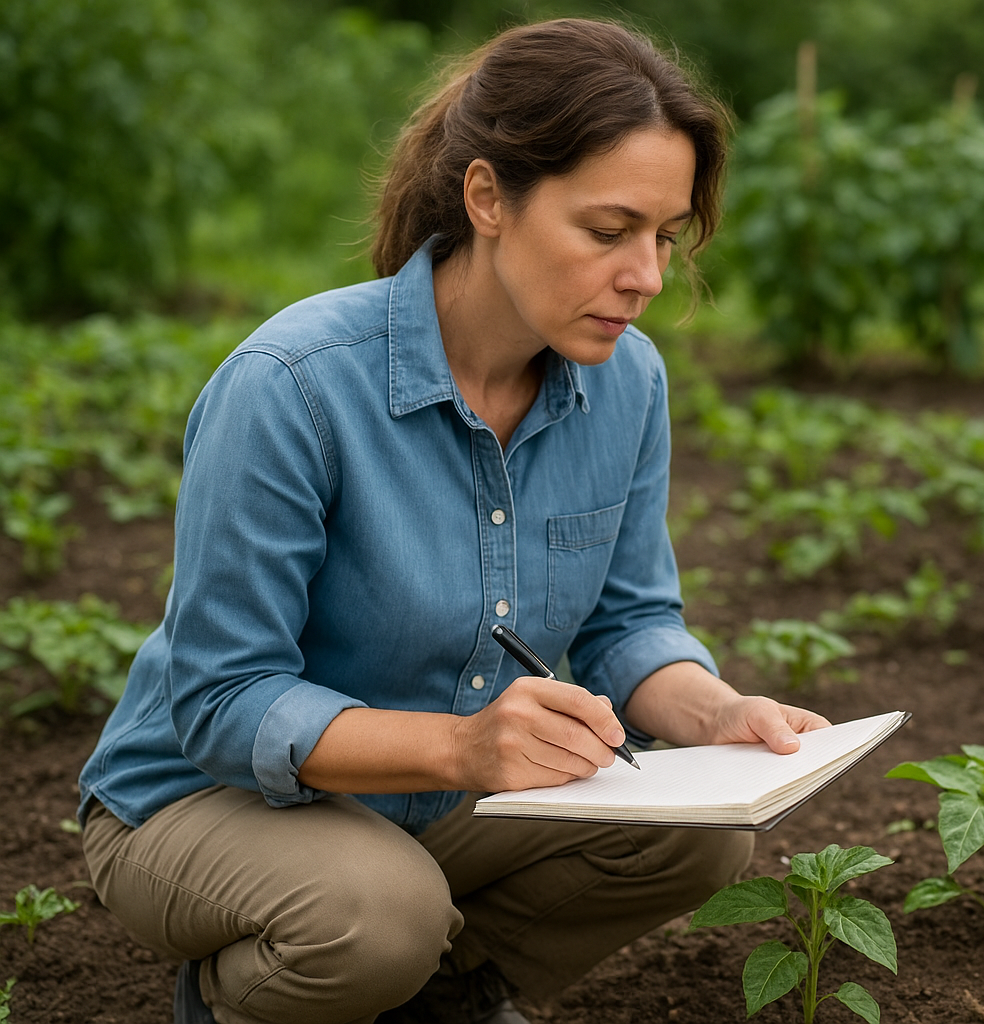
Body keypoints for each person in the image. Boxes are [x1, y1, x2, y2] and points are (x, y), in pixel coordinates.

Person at [76, 19, 829, 1024]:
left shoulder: (628, 383)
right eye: (608, 231)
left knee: (701, 830)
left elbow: (628, 623)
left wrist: (717, 713)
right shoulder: (293, 385)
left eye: (664, 236)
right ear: (487, 199)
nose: (647, 277)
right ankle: (239, 1001)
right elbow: (222, 700)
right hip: (208, 800)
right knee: (378, 916)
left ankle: (442, 993)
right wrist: (463, 750)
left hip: (440, 801)